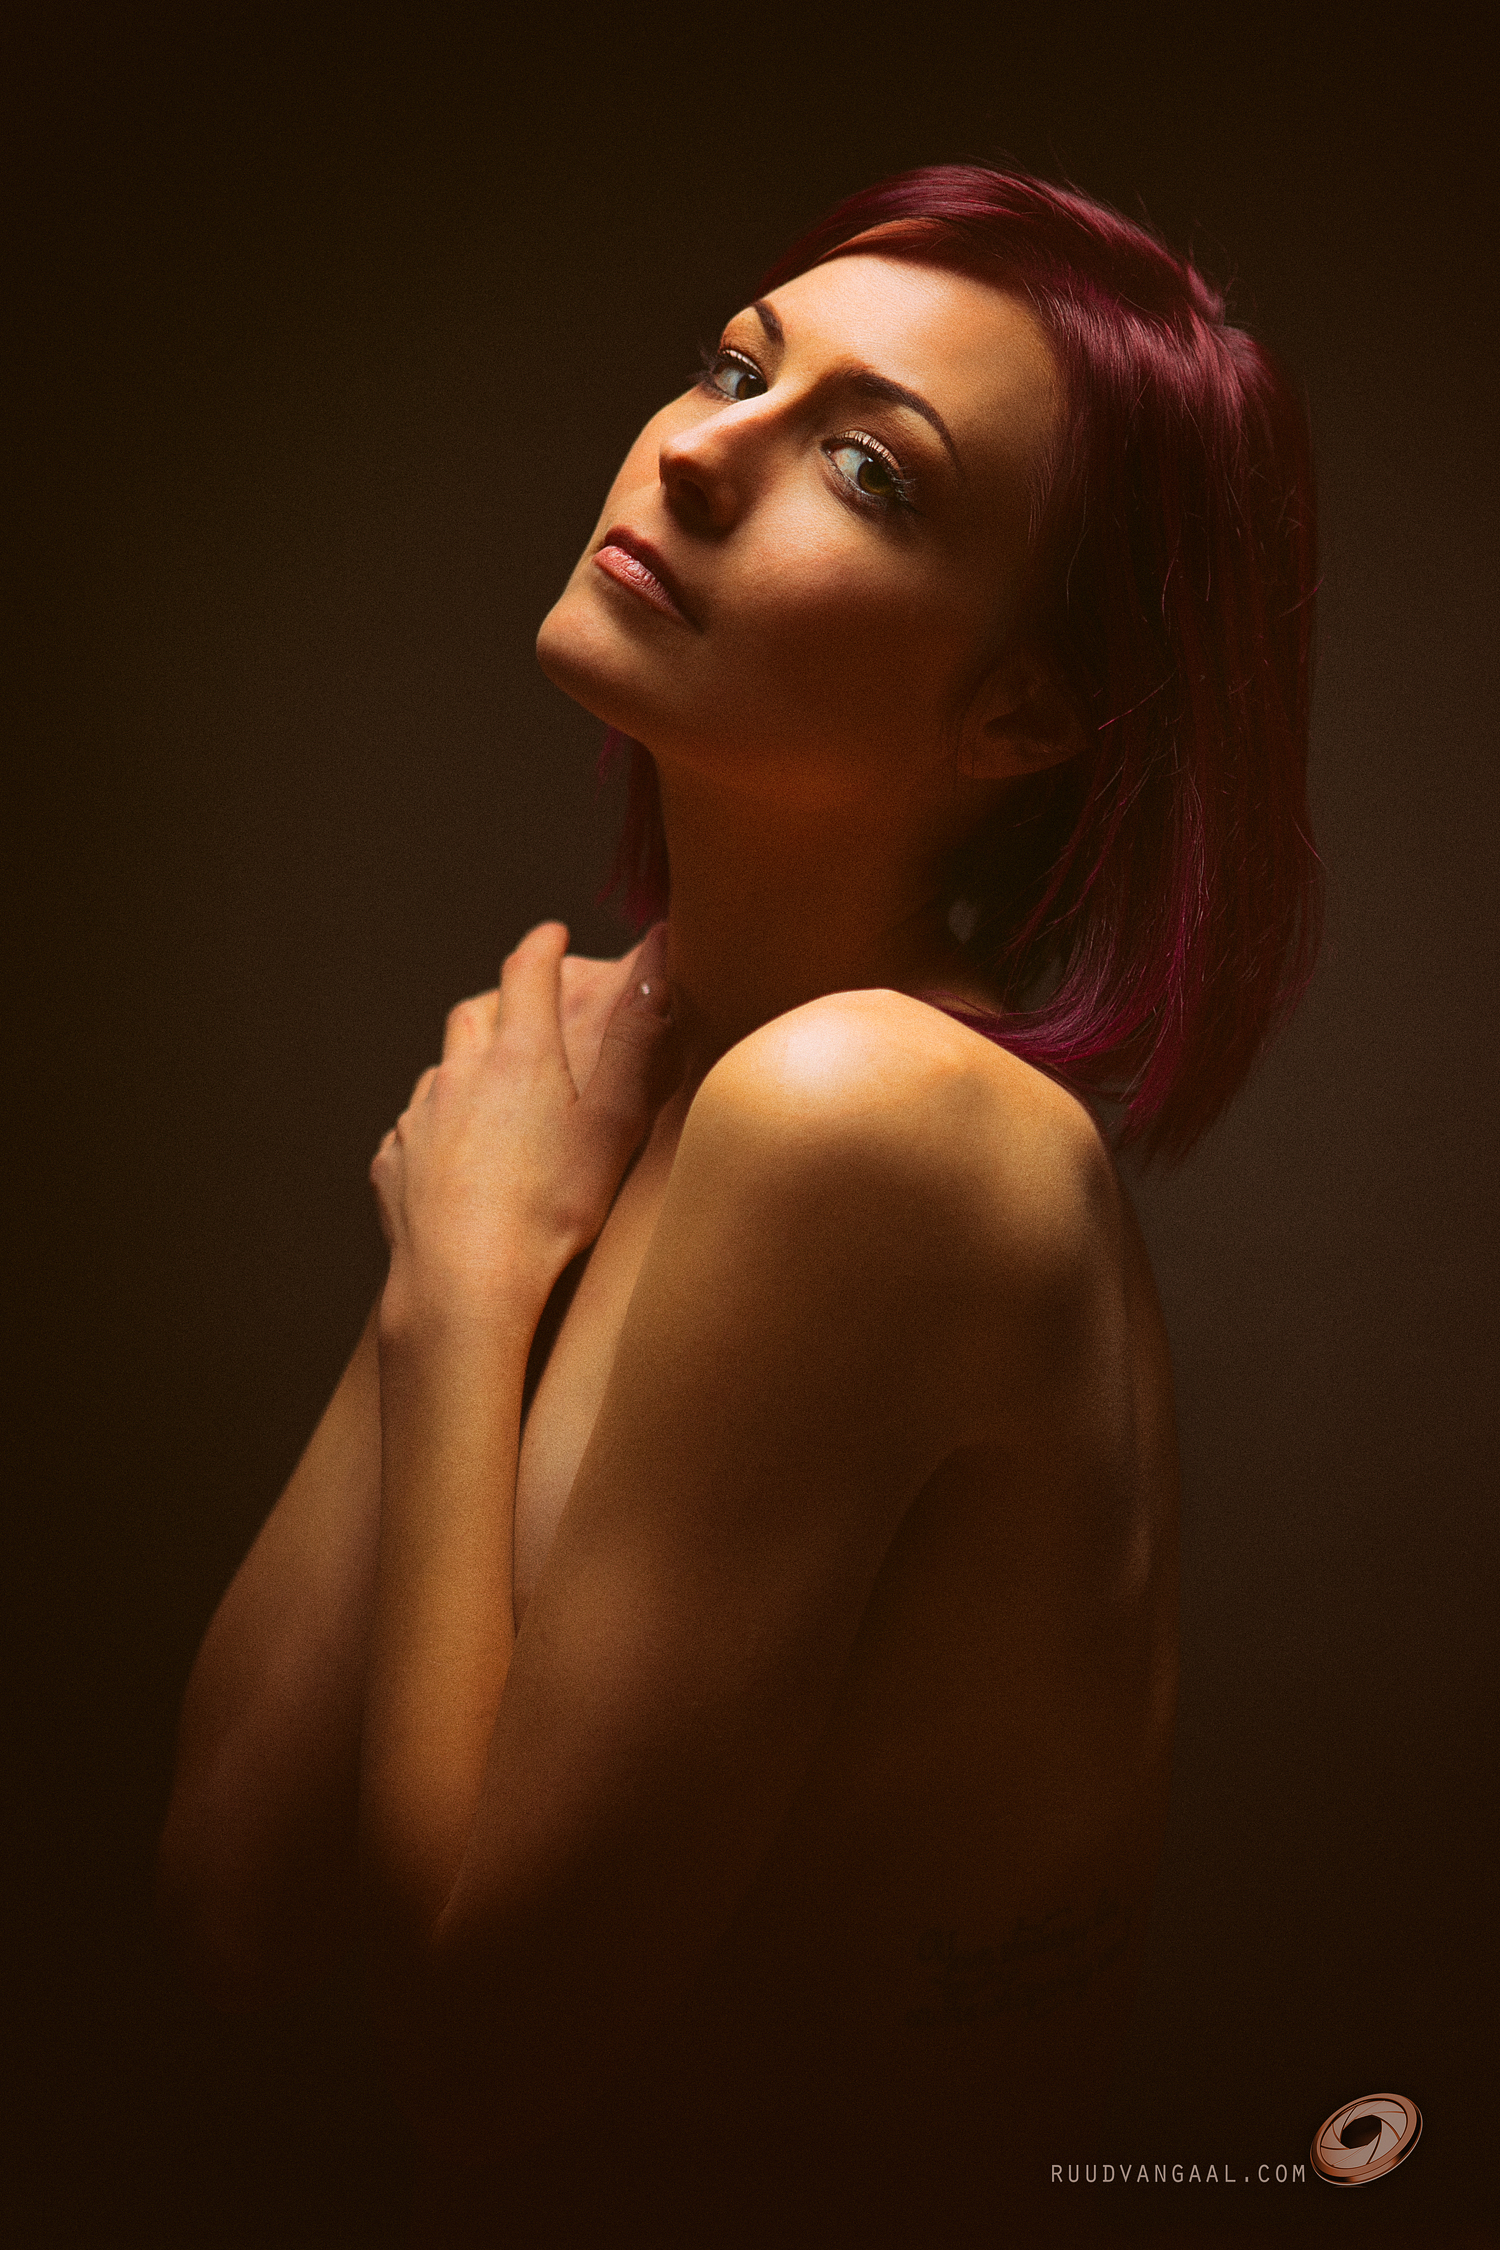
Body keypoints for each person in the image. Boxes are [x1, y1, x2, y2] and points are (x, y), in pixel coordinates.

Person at [156, 165, 1320, 2245]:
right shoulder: (623, 1081)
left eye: (868, 468)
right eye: (732, 366)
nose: (699, 453)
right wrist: (473, 1258)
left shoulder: (876, 1123)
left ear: (1025, 708)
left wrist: (462, 1277)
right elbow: (230, 1896)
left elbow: (474, 2049)